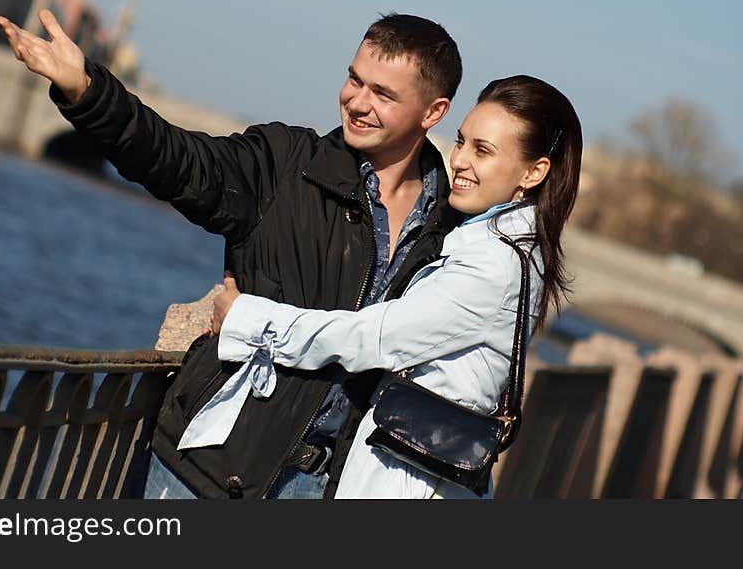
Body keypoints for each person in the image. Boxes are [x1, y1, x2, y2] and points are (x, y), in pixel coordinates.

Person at [0, 9, 464, 499]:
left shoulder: (446, 232)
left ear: (433, 113)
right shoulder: (286, 165)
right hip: (206, 468)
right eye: (354, 79)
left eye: (383, 94)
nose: (357, 102)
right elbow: (176, 160)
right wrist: (87, 90)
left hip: (324, 490)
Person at [205, 75, 583, 498]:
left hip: (411, 484)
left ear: (534, 173)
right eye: (461, 142)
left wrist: (246, 318)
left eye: (483, 151)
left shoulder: (494, 266)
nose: (459, 161)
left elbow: (371, 338)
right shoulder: (511, 250)